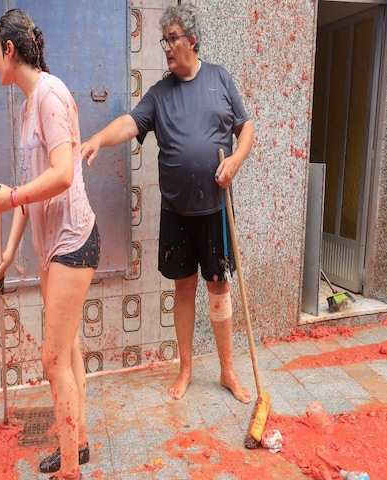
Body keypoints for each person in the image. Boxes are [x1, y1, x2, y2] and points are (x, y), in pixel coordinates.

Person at [81, 2, 254, 403]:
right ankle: (187, 369)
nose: (167, 47)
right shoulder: (160, 93)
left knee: (218, 286)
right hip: (177, 210)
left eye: (173, 38)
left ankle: (228, 370)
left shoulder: (219, 79)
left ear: (193, 40)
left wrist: (235, 160)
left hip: (214, 207)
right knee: (183, 288)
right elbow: (130, 123)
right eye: (165, 39)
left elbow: (246, 129)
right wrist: (98, 140)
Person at [0, 9, 99, 480]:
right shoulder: (27, 106)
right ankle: (78, 445)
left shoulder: (50, 95)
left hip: (73, 240)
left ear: (10, 51)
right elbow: (28, 188)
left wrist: (13, 196)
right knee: (68, 349)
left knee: (52, 358)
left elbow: (62, 174)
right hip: (53, 246)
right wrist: (11, 251)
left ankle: (70, 470)